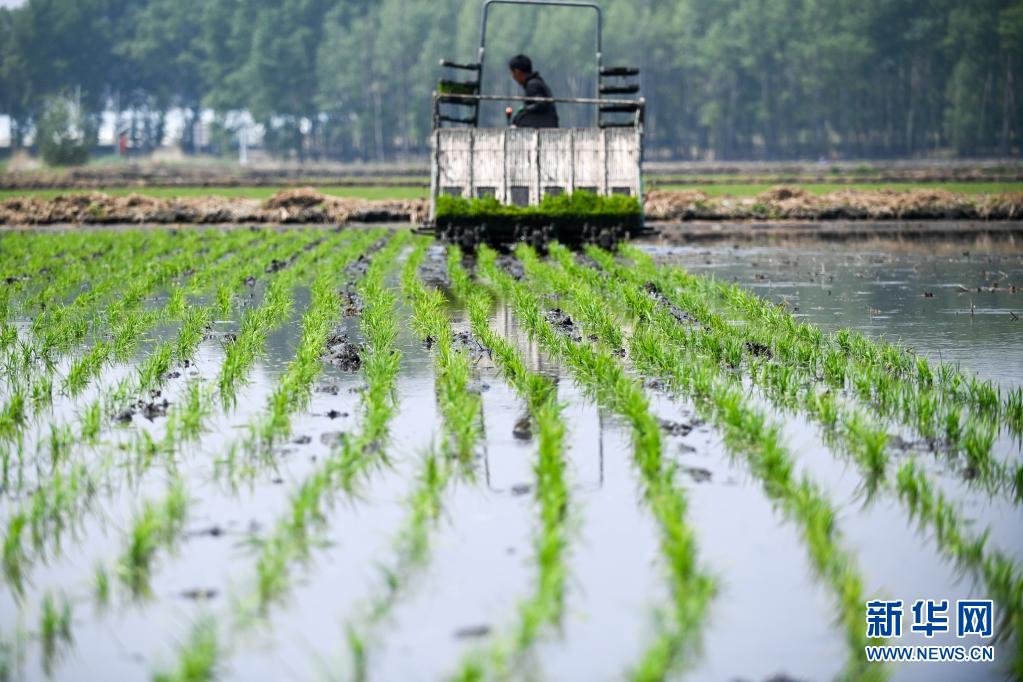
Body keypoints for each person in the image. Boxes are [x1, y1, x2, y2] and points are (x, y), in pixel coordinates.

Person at [508, 54, 559, 128]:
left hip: (546, 122)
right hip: (550, 121)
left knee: (518, 121)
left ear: (517, 72)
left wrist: (524, 109)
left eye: (513, 73)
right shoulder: (536, 82)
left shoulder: (532, 85)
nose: (513, 77)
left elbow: (540, 105)